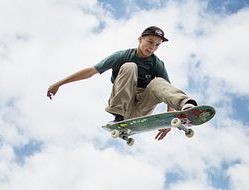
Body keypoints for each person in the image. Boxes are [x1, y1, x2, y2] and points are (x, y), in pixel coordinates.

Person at [47, 26, 198, 141]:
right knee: (130, 66)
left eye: (157, 45)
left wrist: (169, 119)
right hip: (122, 106)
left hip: (141, 108)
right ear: (140, 39)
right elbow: (91, 72)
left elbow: (167, 91)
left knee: (159, 82)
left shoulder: (157, 63)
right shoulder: (122, 55)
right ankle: (118, 117)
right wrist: (59, 83)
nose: (152, 47)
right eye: (150, 42)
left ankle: (188, 105)